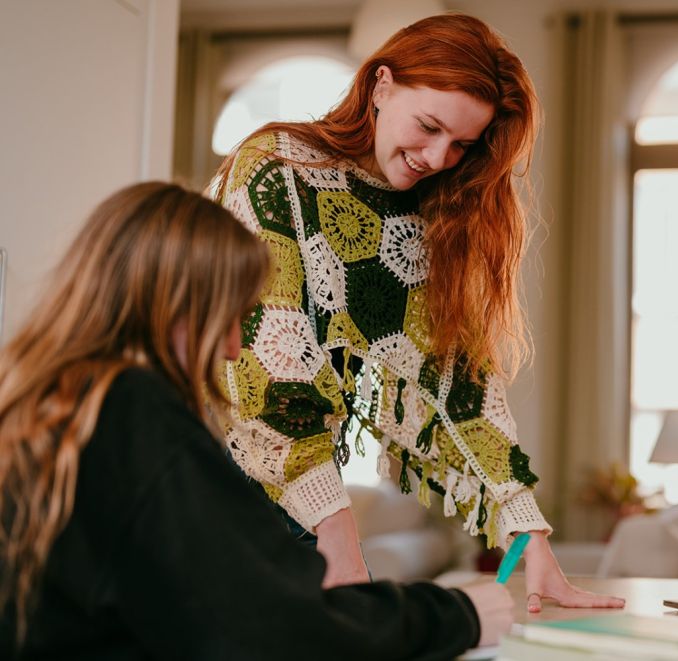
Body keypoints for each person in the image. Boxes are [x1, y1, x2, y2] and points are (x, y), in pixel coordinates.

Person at [215, 13, 624, 613]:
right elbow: (269, 363)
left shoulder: (426, 216)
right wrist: (338, 539)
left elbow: (460, 384)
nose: (438, 157)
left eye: (461, 145)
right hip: (212, 473)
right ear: (381, 87)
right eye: (429, 127)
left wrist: (529, 536)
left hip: (298, 499)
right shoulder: (276, 173)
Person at [0, 182, 511, 660]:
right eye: (230, 316)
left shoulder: (47, 406)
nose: (233, 347)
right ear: (178, 304)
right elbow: (273, 623)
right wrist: (461, 614)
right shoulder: (131, 413)